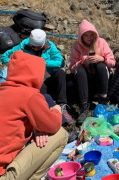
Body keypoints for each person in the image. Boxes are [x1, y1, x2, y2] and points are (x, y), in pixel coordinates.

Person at [0, 51, 68, 180]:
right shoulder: (29, 95)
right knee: (61, 134)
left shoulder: (3, 91)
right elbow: (53, 125)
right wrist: (57, 109)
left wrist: (37, 128)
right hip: (4, 175)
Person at [0, 29, 72, 124]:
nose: (35, 49)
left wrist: (41, 62)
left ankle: (62, 105)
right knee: (40, 86)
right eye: (33, 46)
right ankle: (46, 109)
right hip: (33, 80)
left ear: (43, 44)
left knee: (60, 72)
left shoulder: (50, 46)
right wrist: (20, 64)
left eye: (38, 47)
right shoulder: (22, 46)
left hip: (47, 76)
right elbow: (4, 57)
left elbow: (60, 62)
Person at [69, 19, 115, 124]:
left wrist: (102, 59)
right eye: (86, 35)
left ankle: (103, 100)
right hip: (85, 81)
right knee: (79, 70)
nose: (89, 38)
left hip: (100, 80)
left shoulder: (102, 42)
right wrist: (82, 62)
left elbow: (113, 62)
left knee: (101, 66)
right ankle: (84, 106)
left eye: (91, 35)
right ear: (82, 36)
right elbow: (72, 68)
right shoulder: (77, 46)